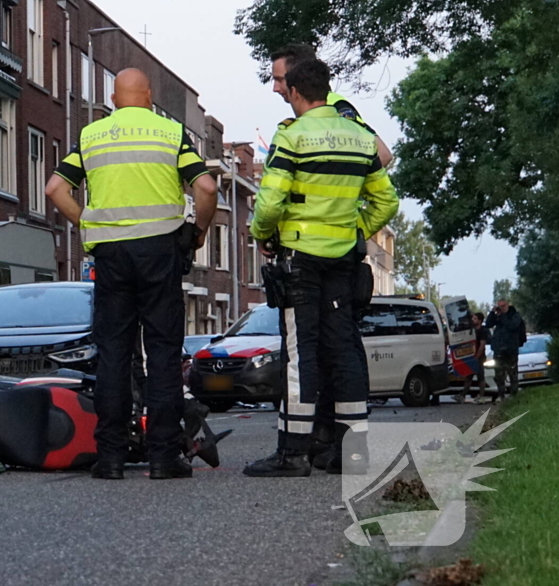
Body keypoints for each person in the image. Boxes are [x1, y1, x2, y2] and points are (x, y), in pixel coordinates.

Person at [45, 68, 218, 480]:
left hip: (111, 257)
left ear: (113, 97)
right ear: (149, 96)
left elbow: (54, 188)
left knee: (114, 355)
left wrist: (89, 224)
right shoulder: (170, 133)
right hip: (160, 252)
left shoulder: (91, 136)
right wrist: (197, 233)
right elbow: (207, 188)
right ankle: (162, 457)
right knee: (161, 354)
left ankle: (110, 458)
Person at [245, 58, 399, 477]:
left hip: (301, 259)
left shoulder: (292, 137)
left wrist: (263, 233)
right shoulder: (359, 137)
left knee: (301, 352)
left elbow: (271, 200)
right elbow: (387, 201)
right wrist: (353, 231)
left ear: (295, 93)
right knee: (344, 347)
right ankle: (353, 452)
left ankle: (293, 452)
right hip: (343, 260)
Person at [270, 44, 394, 168]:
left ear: (299, 74)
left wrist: (348, 182)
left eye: (280, 80)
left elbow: (383, 155)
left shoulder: (333, 103)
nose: (275, 88)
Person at [485, 299, 524, 402]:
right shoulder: (498, 316)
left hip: (511, 350)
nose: (501, 308)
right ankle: (501, 395)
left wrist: (502, 316)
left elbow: (512, 326)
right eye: (499, 306)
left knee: (512, 374)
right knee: (499, 375)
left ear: (508, 305)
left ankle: (514, 395)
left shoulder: (514, 315)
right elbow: (488, 324)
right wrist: (492, 313)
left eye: (503, 306)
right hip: (499, 350)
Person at [455, 312, 489, 404]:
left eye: (475, 319)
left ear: (480, 321)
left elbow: (482, 345)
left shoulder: (482, 331)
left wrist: (477, 356)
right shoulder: (471, 330)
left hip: (479, 357)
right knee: (468, 376)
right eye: (472, 318)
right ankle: (462, 396)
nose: (472, 320)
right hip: (471, 357)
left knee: (480, 377)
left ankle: (481, 396)